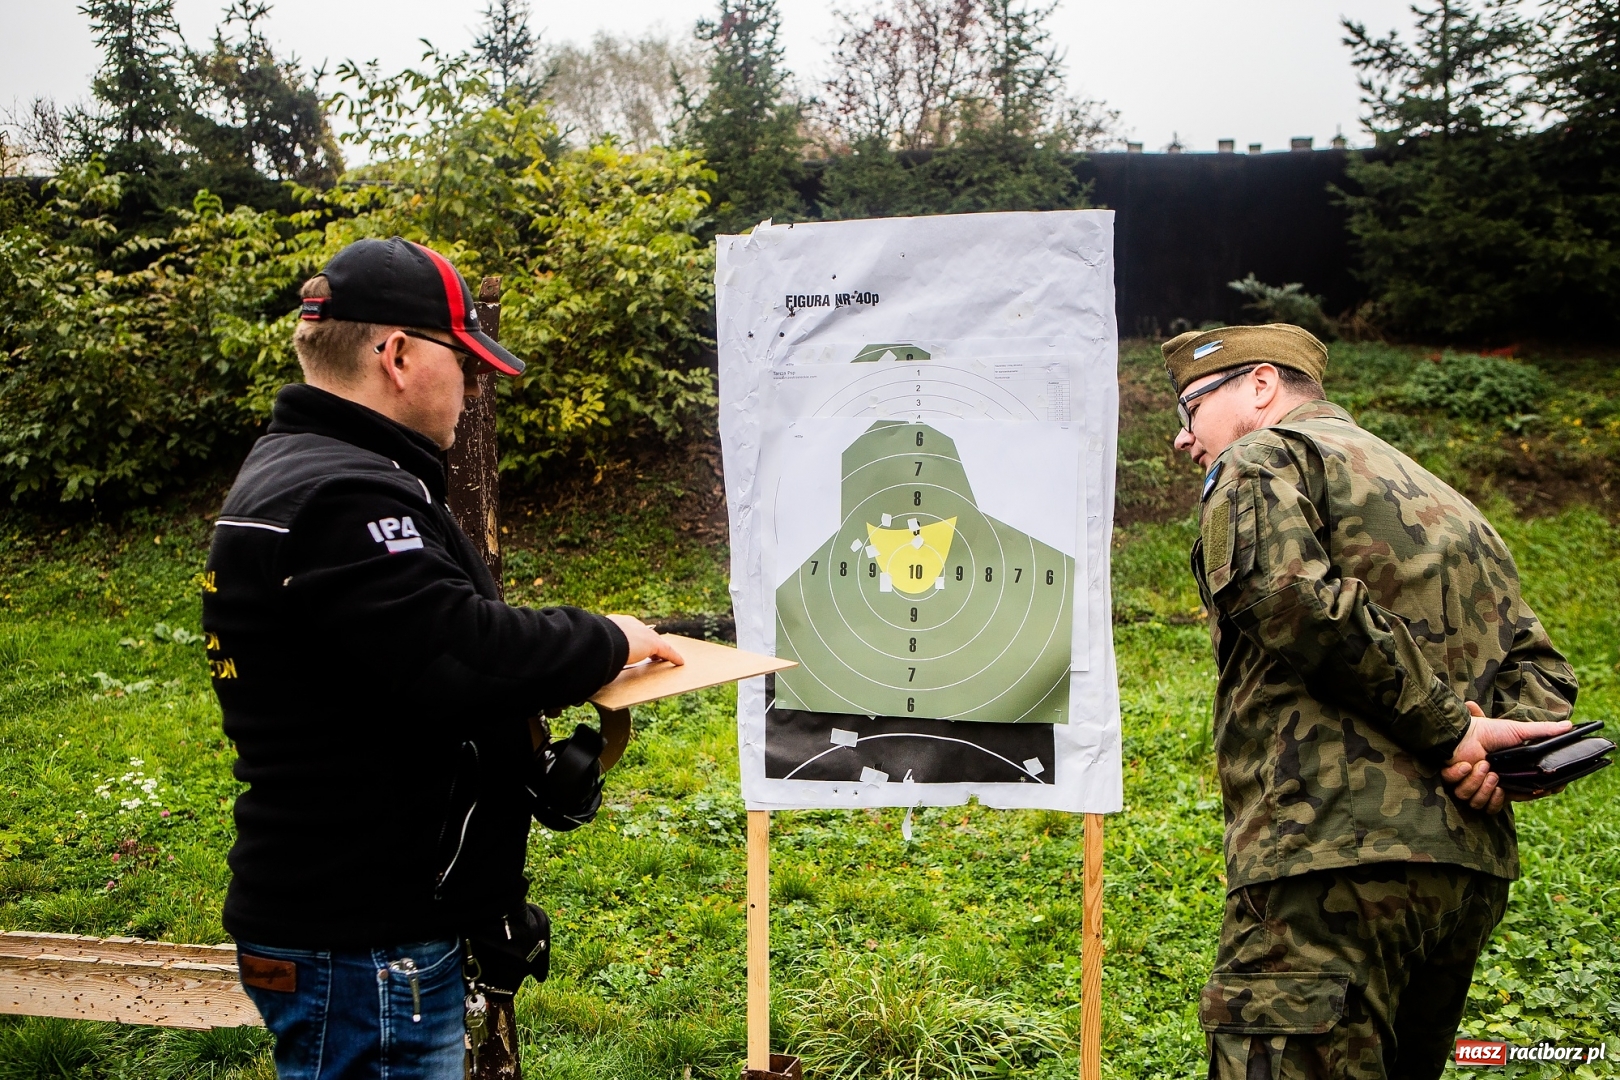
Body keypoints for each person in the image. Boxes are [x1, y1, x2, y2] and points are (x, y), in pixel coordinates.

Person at [201, 236, 683, 1079]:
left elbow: (414, 674)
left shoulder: (312, 470)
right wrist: (608, 637)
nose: (473, 384)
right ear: (396, 355)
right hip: (361, 936)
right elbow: (461, 647)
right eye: (463, 362)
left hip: (349, 915)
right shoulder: (345, 495)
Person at [1165, 325, 1578, 1080]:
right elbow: (1540, 667)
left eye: (1192, 407)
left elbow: (1287, 597)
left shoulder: (1265, 458)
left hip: (1329, 852)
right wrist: (1497, 759)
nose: (1185, 438)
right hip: (1464, 873)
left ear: (1261, 385)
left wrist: (1455, 734)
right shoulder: (1450, 501)